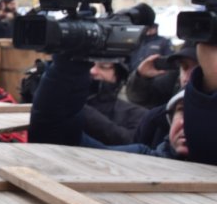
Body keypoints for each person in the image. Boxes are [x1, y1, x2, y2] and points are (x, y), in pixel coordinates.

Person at [30, 42, 217, 163]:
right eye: (182, 110)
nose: (187, 123)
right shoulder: (147, 159)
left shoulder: (134, 114)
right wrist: (68, 66)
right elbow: (57, 142)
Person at [82, 60, 146, 146]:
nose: (92, 71)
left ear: (118, 75)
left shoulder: (136, 113)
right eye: (87, 65)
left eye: (104, 66)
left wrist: (82, 109)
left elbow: (132, 142)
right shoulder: (65, 104)